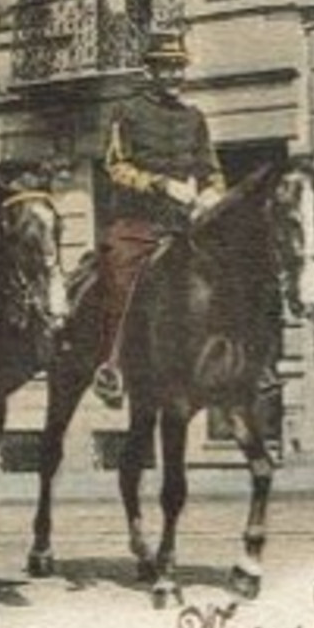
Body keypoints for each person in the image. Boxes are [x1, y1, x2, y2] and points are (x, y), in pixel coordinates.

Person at [92, 31, 225, 407]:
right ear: (150, 71)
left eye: (178, 68)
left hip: (186, 224)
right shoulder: (128, 112)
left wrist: (211, 191)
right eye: (165, 68)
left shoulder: (194, 117)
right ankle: (111, 366)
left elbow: (211, 168)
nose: (173, 76)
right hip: (138, 224)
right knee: (119, 275)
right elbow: (115, 166)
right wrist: (160, 185)